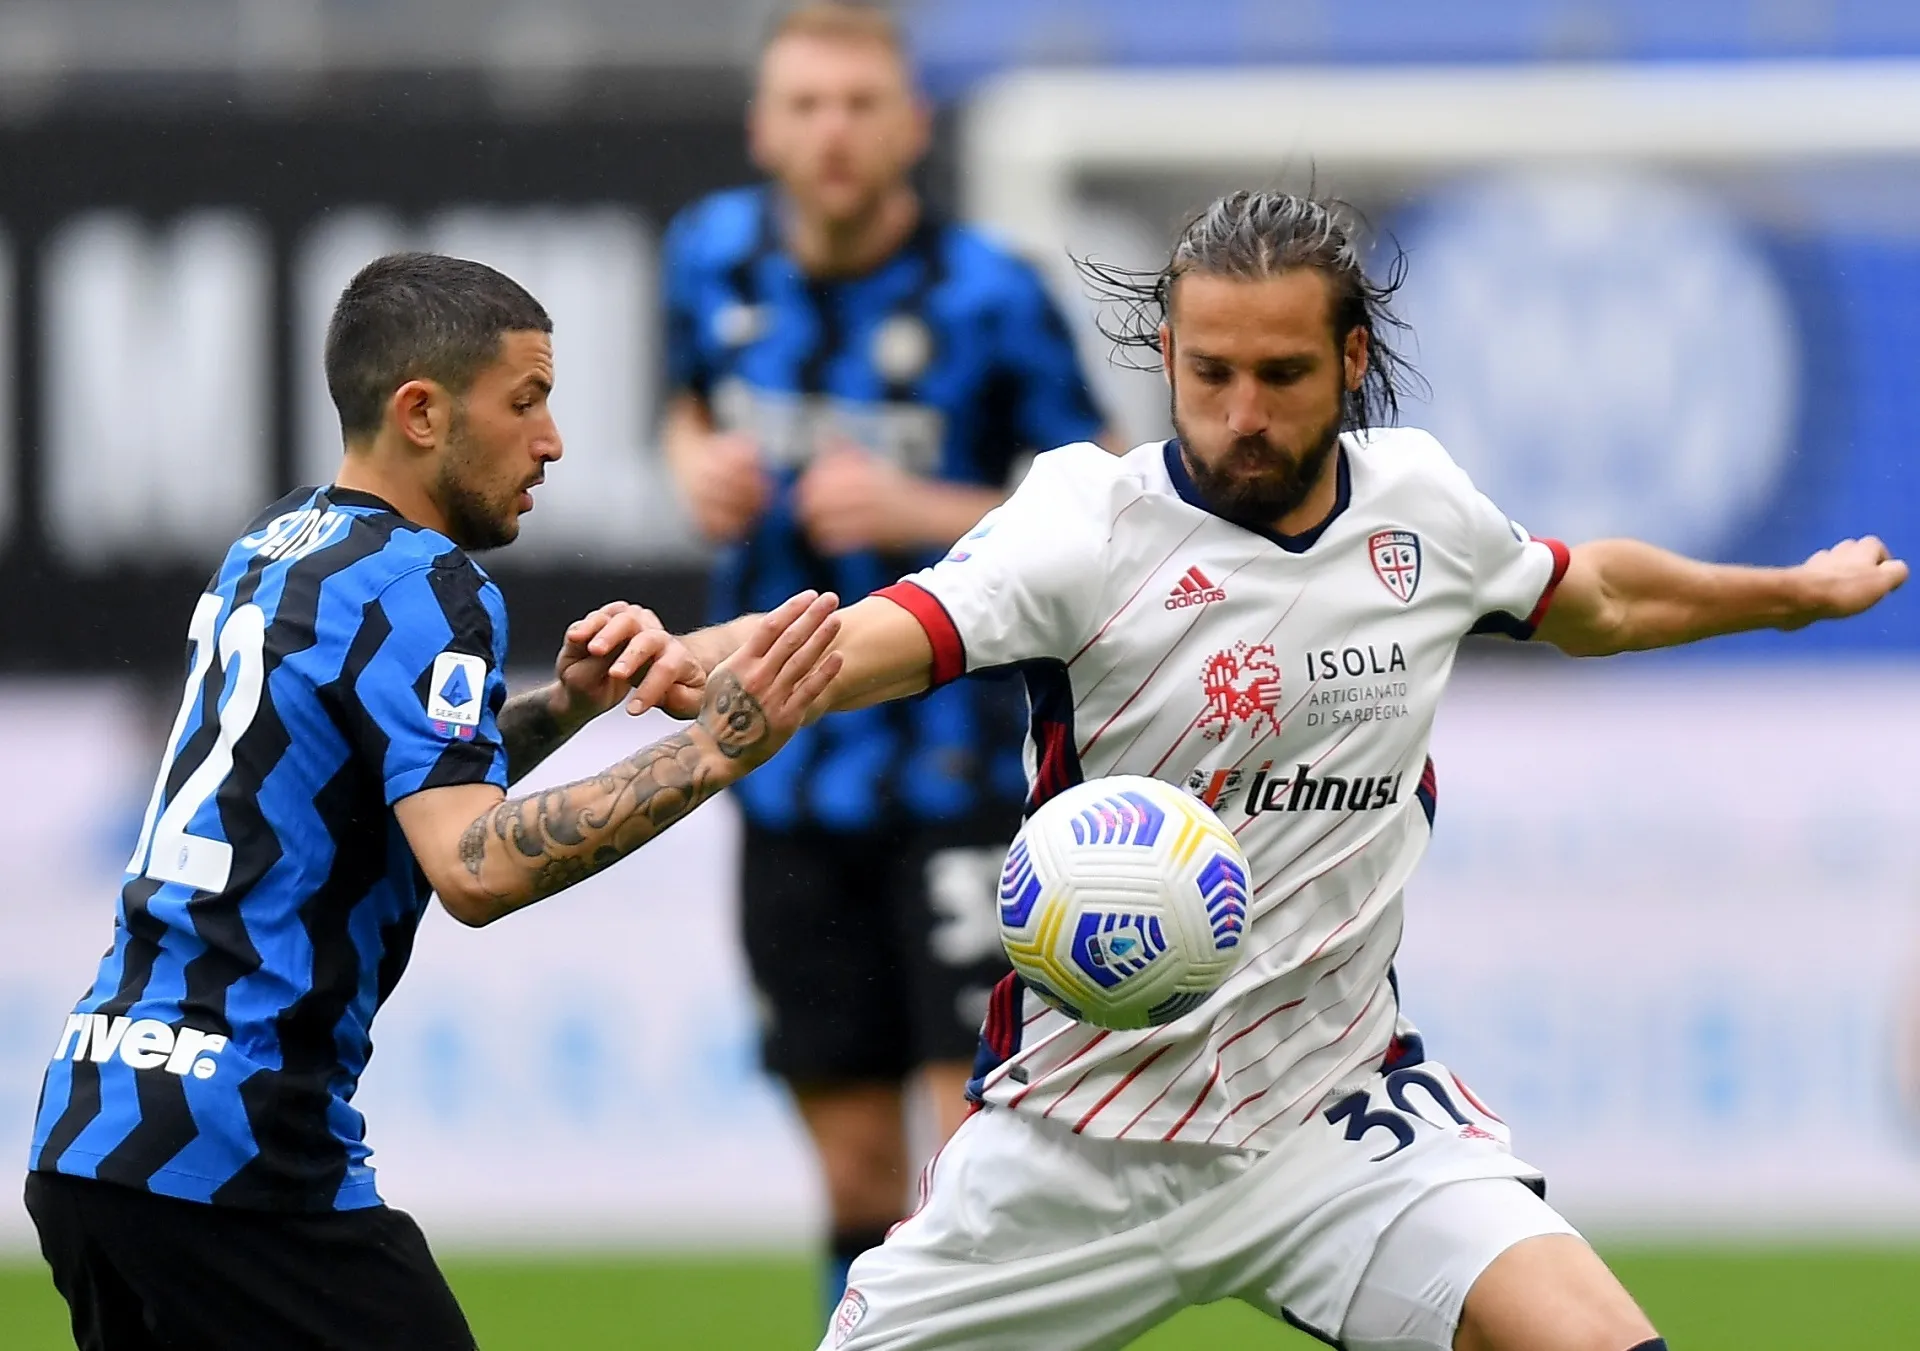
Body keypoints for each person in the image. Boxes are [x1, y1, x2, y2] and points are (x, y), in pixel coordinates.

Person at [670, 191, 1908, 1351]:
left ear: (1354, 362)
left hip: (1334, 1117)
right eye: (1210, 374)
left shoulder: (1419, 509)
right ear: (1164, 355)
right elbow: (872, 638)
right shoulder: (1083, 523)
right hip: (1075, 1140)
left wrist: (1791, 595)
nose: (1243, 414)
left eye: (1283, 374)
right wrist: (694, 661)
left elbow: (1598, 595)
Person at [23, 252, 841, 1351]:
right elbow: (475, 867)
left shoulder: (273, 549)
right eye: (527, 401)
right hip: (238, 1148)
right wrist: (718, 748)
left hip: (95, 1123)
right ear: (420, 412)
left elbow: (366, 783)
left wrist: (568, 710)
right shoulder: (427, 584)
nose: (551, 441)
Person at [659, 0, 1111, 1307]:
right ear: (764, 126)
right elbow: (687, 401)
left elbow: (1104, 504)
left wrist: (922, 514)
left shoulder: (988, 293)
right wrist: (698, 467)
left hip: (957, 771)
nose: (834, 132)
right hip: (784, 771)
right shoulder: (711, 260)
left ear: (913, 126)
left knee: (971, 1165)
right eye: (806, 105)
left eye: (861, 104)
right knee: (858, 1173)